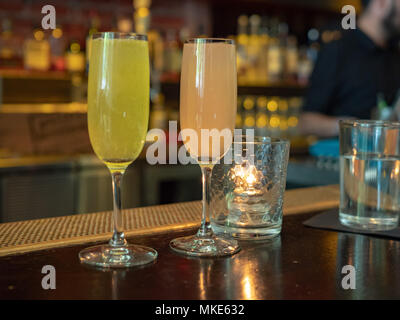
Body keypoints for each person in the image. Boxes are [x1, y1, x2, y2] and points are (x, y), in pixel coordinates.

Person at [299, 0, 400, 137]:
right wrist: (351, 126)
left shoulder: (394, 55)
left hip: (386, 154)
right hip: (341, 155)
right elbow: (305, 123)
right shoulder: (338, 50)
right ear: (381, 3)